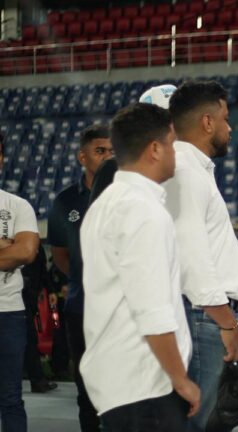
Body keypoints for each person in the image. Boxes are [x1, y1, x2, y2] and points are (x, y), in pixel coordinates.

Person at [79, 103, 200, 431]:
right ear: (155, 149)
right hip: (147, 384)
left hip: (122, 381)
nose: (176, 154)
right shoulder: (142, 211)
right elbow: (152, 310)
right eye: (172, 144)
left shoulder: (105, 205)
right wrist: (180, 379)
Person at [166, 80, 238, 431]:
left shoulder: (191, 170)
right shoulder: (186, 173)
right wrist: (225, 321)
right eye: (225, 118)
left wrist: (233, 314)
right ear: (207, 122)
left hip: (207, 314)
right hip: (203, 316)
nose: (229, 128)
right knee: (202, 421)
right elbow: (192, 258)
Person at [47, 123, 113, 432]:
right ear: (82, 157)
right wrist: (84, 280)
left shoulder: (130, 195)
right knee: (87, 386)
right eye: (100, 151)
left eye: (112, 151)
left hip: (123, 308)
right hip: (81, 306)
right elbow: (60, 253)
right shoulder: (65, 201)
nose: (108, 156)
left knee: (123, 385)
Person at [0, 131, 41, 432]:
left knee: (11, 398)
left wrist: (15, 248)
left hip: (8, 313)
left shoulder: (18, 205)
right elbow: (15, 251)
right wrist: (6, 245)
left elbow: (26, 252)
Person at [21, 244, 57, 393]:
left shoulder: (36, 244)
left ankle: (37, 379)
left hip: (29, 296)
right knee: (29, 339)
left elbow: (42, 270)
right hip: (19, 296)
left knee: (30, 339)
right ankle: (37, 380)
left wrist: (50, 290)